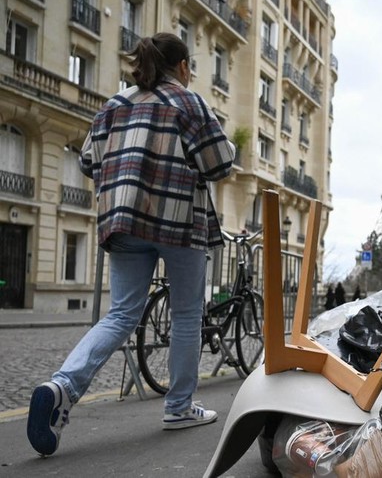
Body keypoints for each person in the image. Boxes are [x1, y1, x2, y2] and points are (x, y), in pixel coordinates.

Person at [27, 33, 235, 456]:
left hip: (123, 220)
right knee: (186, 315)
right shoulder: (188, 102)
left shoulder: (115, 104)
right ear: (182, 66)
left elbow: (88, 161)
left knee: (121, 314)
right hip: (179, 223)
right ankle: (178, 407)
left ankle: (61, 386)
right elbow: (220, 163)